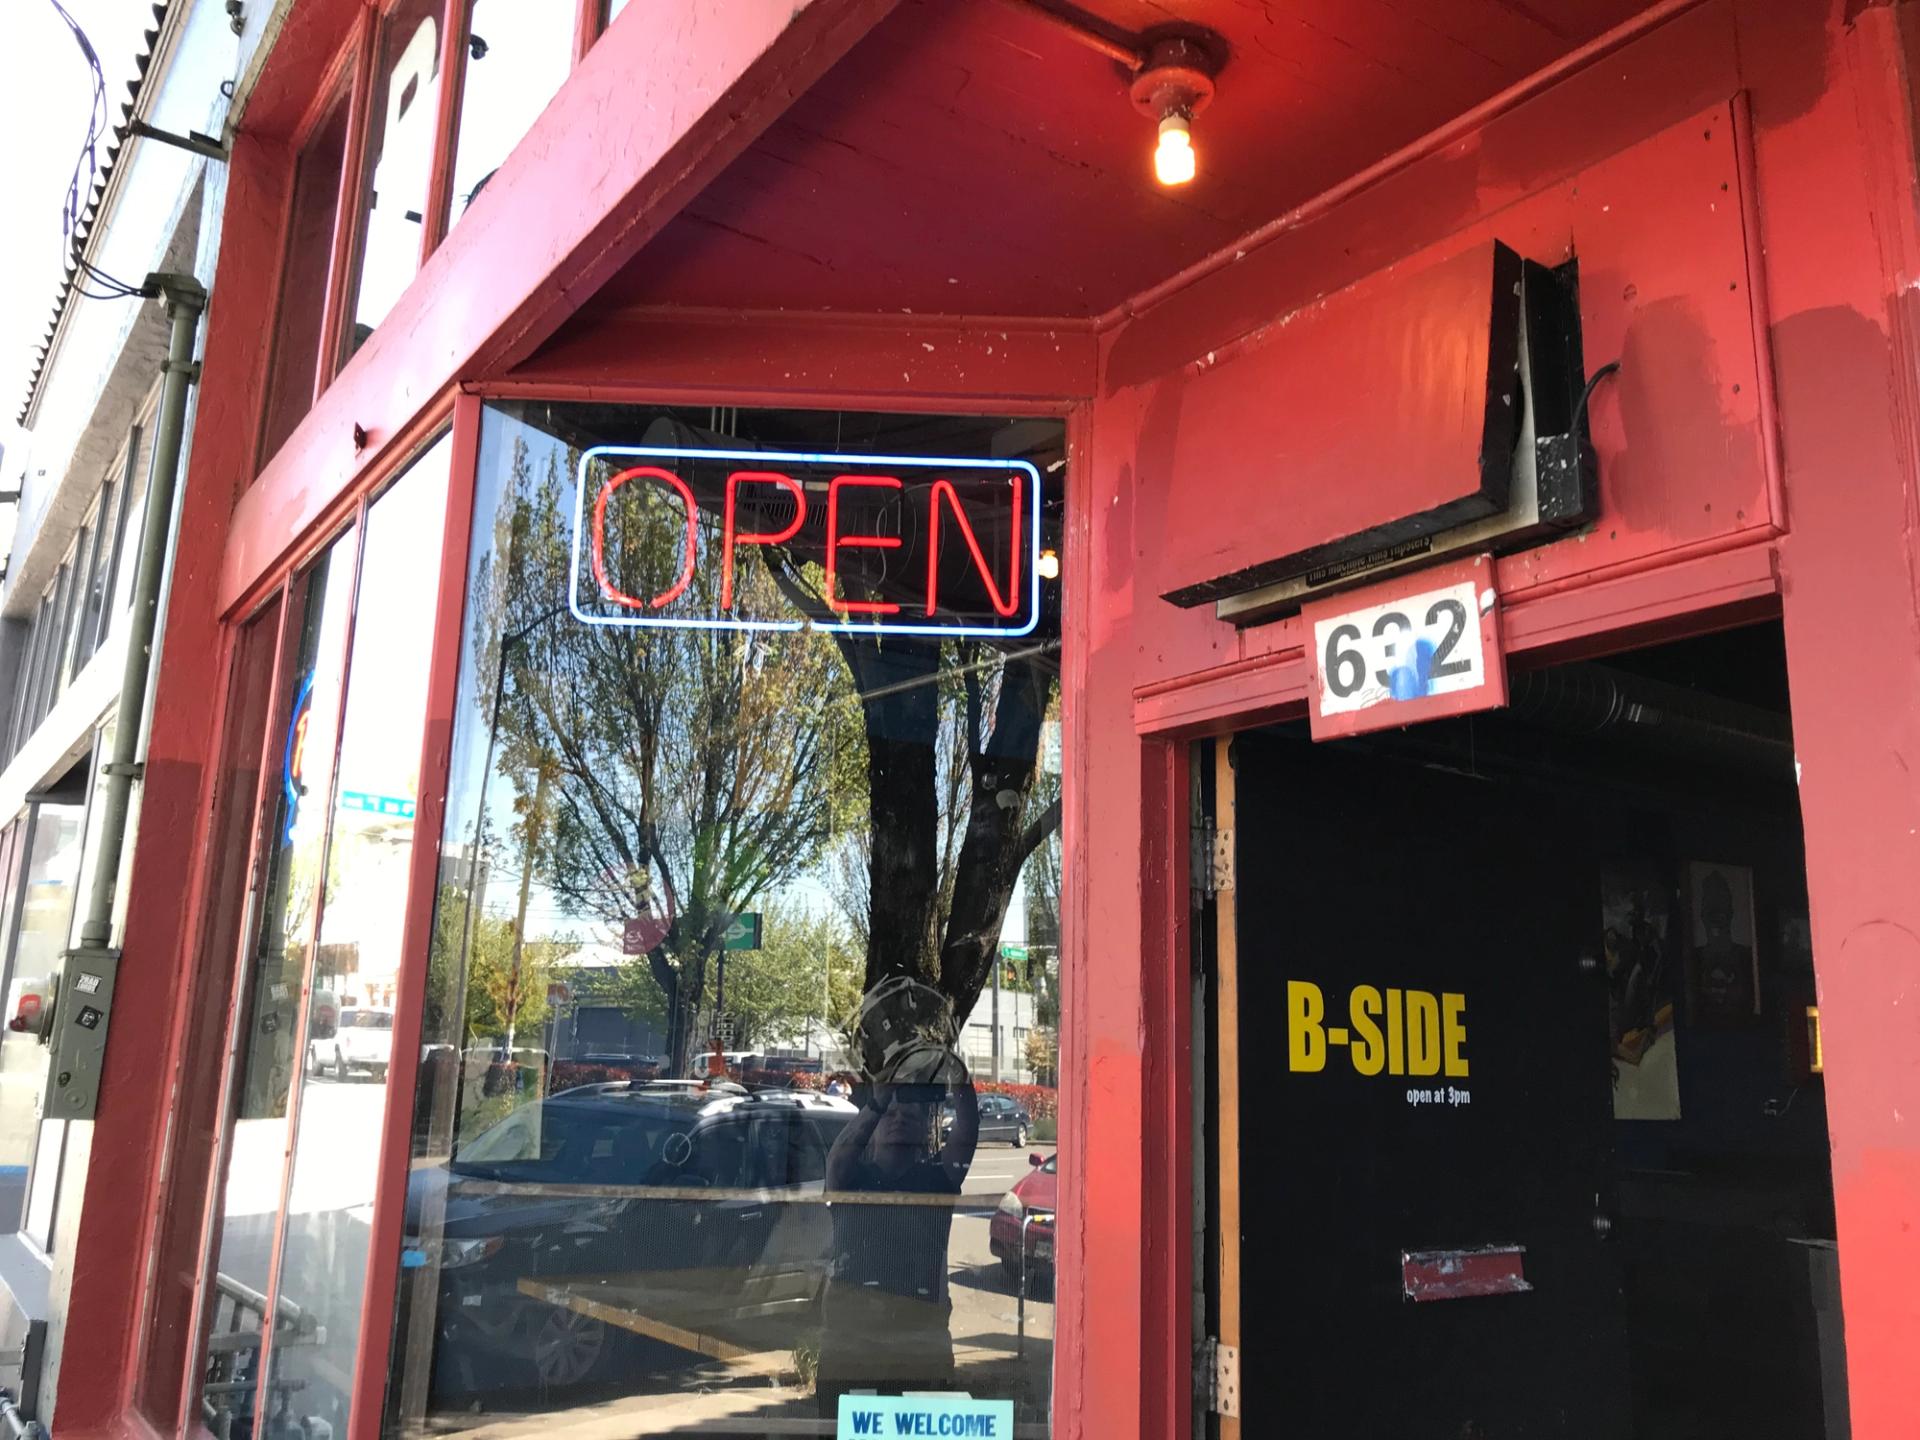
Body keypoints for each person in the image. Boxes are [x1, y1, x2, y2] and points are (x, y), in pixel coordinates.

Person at [815, 978, 978, 1412]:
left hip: (919, 1342)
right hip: (850, 1342)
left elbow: (966, 1134)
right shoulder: (854, 1176)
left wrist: (956, 1075)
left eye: (913, 1112)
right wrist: (877, 1103)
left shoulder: (936, 1179)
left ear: (927, 1125)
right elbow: (838, 1157)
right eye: (894, 1112)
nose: (902, 1119)